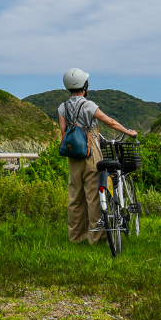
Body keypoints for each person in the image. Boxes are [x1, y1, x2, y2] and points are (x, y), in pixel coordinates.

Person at [58, 68, 138, 245]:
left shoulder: (63, 107)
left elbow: (63, 132)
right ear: (84, 86)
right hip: (90, 151)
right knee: (93, 196)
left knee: (75, 197)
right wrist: (129, 132)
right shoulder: (88, 105)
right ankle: (96, 237)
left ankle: (76, 237)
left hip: (73, 154)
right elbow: (109, 122)